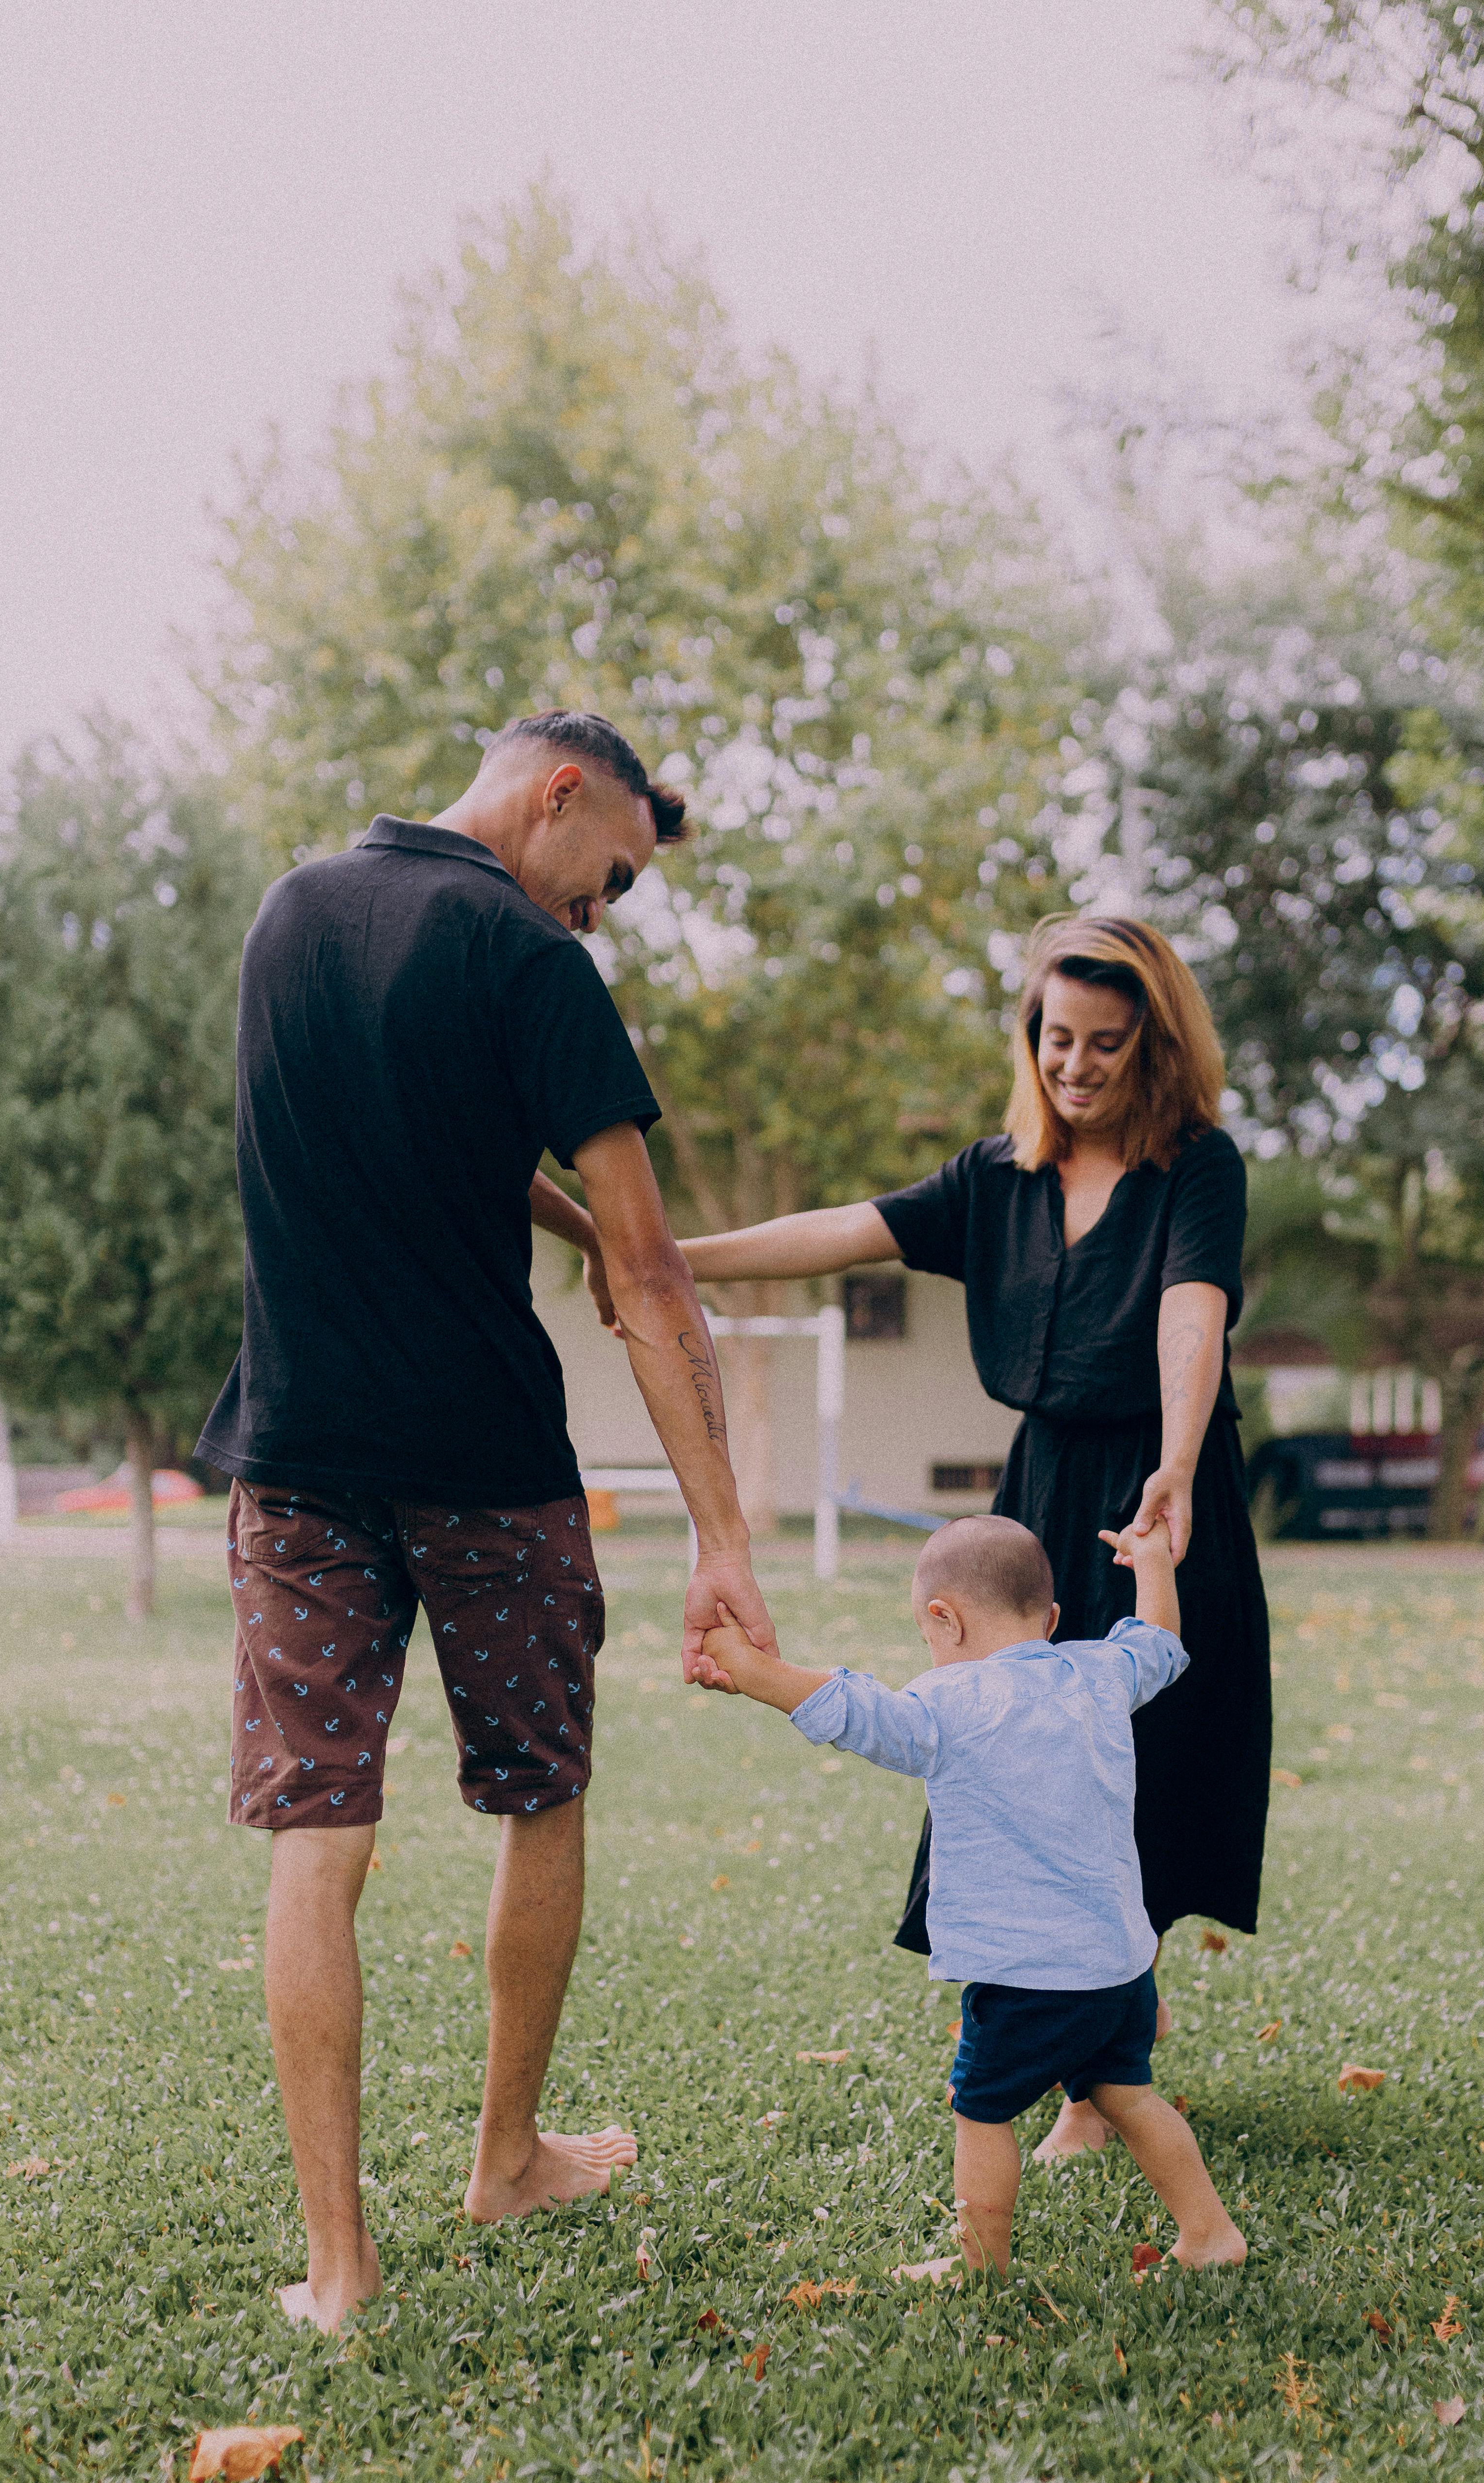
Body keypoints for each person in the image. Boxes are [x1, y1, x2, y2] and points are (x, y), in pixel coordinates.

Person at [197, 710, 776, 2330]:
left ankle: (338, 2269)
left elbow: (408, 1143)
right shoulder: (530, 960)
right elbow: (656, 1279)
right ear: (560, 791)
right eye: (614, 879)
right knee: (541, 1794)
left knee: (321, 1837)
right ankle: (506, 2155)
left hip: (297, 1453)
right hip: (488, 1465)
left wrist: (565, 1209)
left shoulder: (293, 912)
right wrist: (723, 1539)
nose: (605, 912)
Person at [676, 912, 1271, 2162]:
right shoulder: (993, 1180)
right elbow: (839, 1230)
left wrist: (1173, 1463)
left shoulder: (1196, 1168)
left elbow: (1189, 1319)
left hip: (1159, 1496)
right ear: (1032, 1035)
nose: (1077, 1065)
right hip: (1037, 1500)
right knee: (1018, 1776)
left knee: (1142, 1781)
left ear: (1150, 1046)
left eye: (1107, 1044)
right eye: (1058, 1038)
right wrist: (664, 1255)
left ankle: (1106, 2080)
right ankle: (1086, 2082)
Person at [693, 1512, 1247, 2276]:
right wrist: (1151, 1563)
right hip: (1121, 1967)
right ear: (1050, 1620)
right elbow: (1158, 1642)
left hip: (1027, 1976)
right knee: (1130, 2098)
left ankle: (978, 2265)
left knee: (981, 2112)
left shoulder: (948, 1706)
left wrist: (749, 1670)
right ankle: (1211, 2233)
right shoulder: (1098, 1675)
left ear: (941, 1619)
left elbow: (857, 1711)